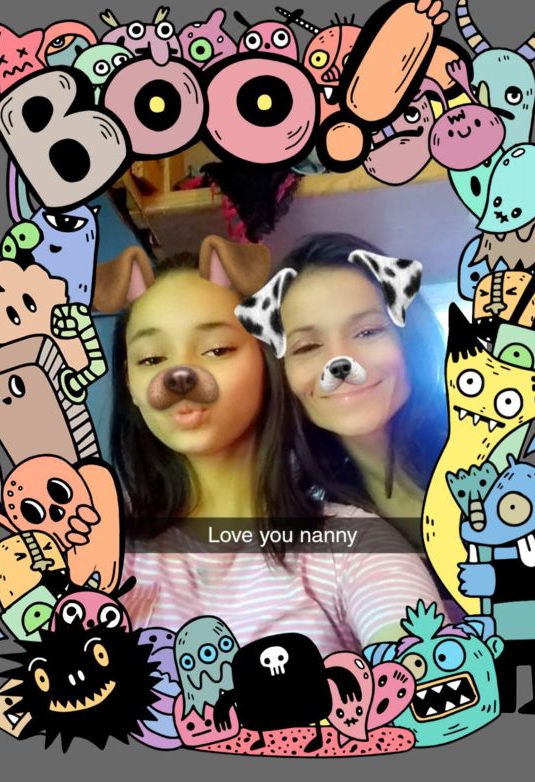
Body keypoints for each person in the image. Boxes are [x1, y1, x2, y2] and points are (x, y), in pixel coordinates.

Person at [111, 237, 445, 656]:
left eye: (217, 349)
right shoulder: (93, 537)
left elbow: (422, 670)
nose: (340, 362)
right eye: (150, 359)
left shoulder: (353, 543)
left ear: (265, 362)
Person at [276, 233, 448, 549]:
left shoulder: (500, 447)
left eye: (368, 331)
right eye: (307, 347)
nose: (339, 361)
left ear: (411, 337)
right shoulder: (309, 522)